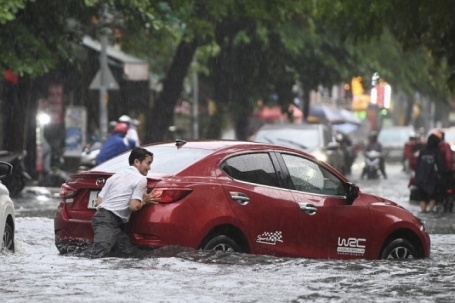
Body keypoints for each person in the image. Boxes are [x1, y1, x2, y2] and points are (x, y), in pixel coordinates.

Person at [89, 147, 157, 258]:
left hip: (105, 219)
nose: (149, 167)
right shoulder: (141, 179)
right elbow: (133, 206)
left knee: (128, 254)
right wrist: (145, 200)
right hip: (109, 221)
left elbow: (99, 201)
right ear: (136, 162)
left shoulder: (115, 176)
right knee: (98, 256)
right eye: (148, 163)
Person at [415, 133, 448, 213]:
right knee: (432, 197)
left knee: (423, 198)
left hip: (421, 179)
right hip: (432, 179)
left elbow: (417, 165)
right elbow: (441, 166)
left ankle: (423, 211)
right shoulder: (437, 152)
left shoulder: (422, 151)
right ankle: (430, 211)